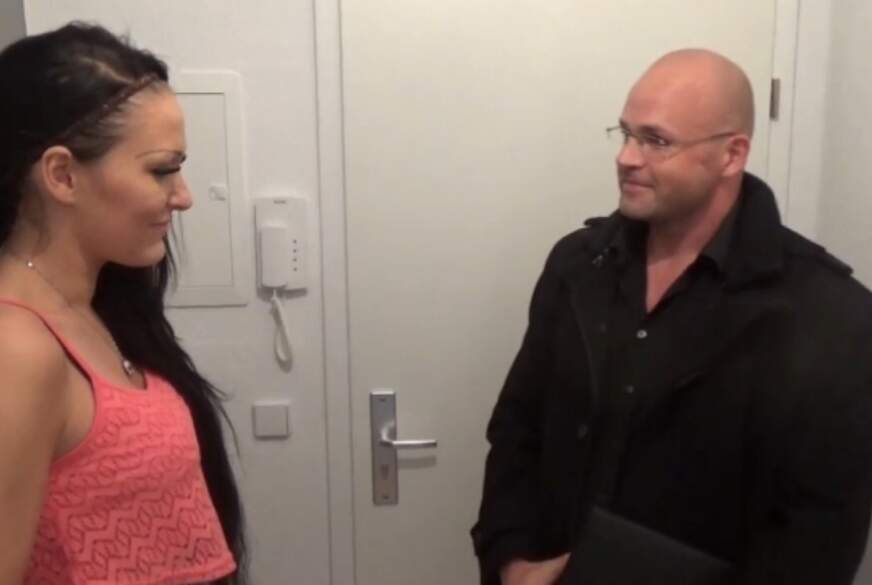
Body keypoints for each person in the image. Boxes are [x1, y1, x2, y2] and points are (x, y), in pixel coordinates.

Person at [471, 48, 872, 585]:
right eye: (625, 133)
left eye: (656, 141)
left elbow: (820, 532)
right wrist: (511, 563)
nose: (627, 158)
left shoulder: (830, 314)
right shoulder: (578, 265)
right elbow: (517, 430)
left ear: (731, 154)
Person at [0, 23, 247, 584]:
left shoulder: (97, 312)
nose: (183, 196)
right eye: (161, 169)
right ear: (63, 175)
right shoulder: (17, 346)